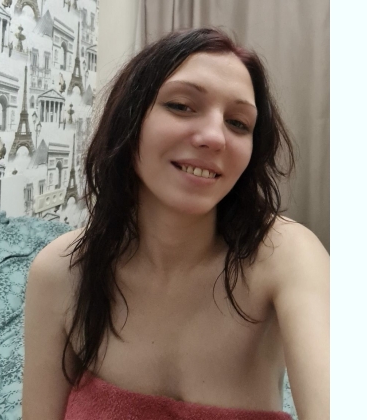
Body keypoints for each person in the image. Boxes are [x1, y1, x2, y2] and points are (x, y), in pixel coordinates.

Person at [22, 28, 329, 420]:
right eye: (182, 105)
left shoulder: (286, 255)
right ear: (129, 119)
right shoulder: (61, 271)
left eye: (238, 123)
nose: (215, 137)